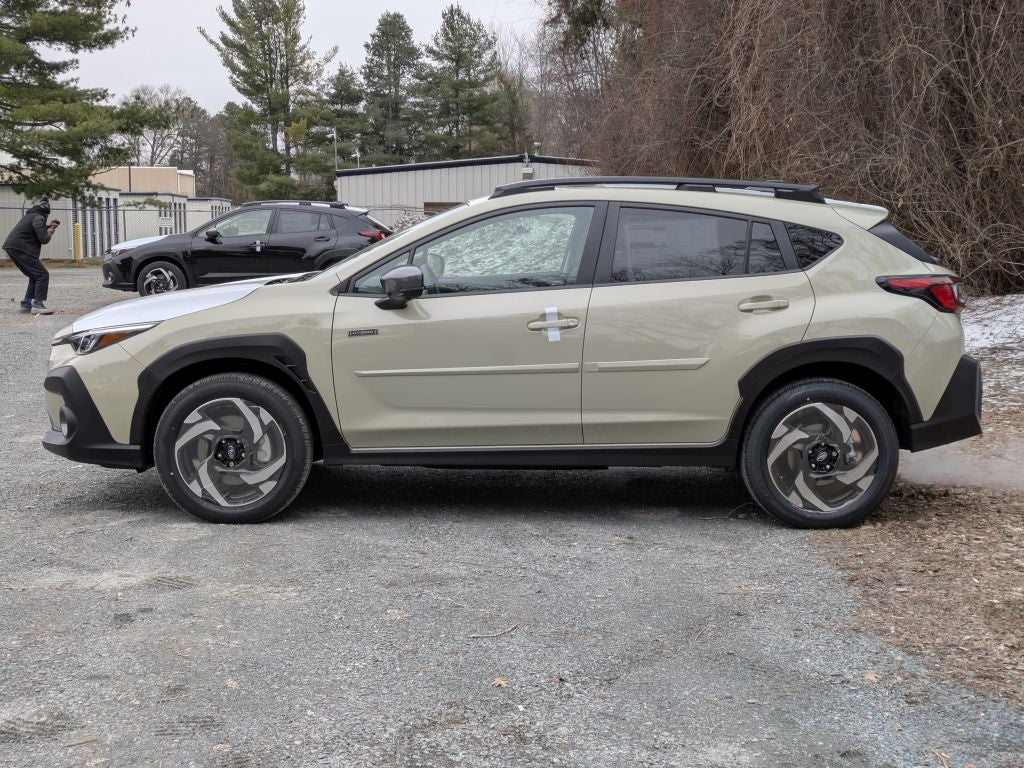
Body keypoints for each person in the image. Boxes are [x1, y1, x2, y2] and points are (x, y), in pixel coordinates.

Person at [4, 197, 60, 315]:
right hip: (20, 248)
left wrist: (48, 227)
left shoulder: (31, 215)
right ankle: (38, 305)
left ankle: (26, 303)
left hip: (13, 247)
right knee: (42, 275)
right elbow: (44, 239)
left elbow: (35, 230)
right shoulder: (39, 217)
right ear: (46, 212)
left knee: (34, 275)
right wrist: (50, 232)